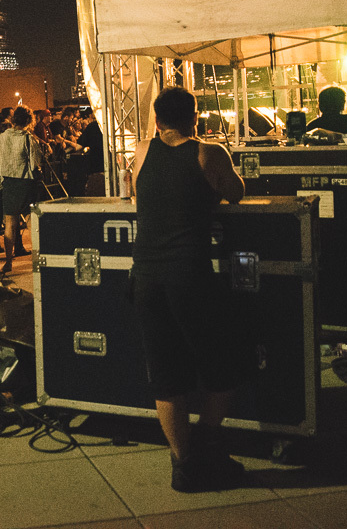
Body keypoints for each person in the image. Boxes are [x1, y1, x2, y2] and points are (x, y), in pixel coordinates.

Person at [128, 86, 248, 492]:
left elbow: (136, 197)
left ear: (158, 120)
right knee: (223, 361)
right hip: (189, 276)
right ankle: (209, 441)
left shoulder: (142, 151)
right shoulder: (208, 152)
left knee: (166, 372)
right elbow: (236, 193)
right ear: (194, 117)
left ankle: (184, 465)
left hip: (144, 277)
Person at [0, 106, 44, 273]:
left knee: (9, 223)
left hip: (8, 183)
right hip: (26, 182)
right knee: (31, 221)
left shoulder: (1, 137)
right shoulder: (28, 139)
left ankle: (8, 262)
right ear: (29, 121)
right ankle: (38, 259)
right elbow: (35, 163)